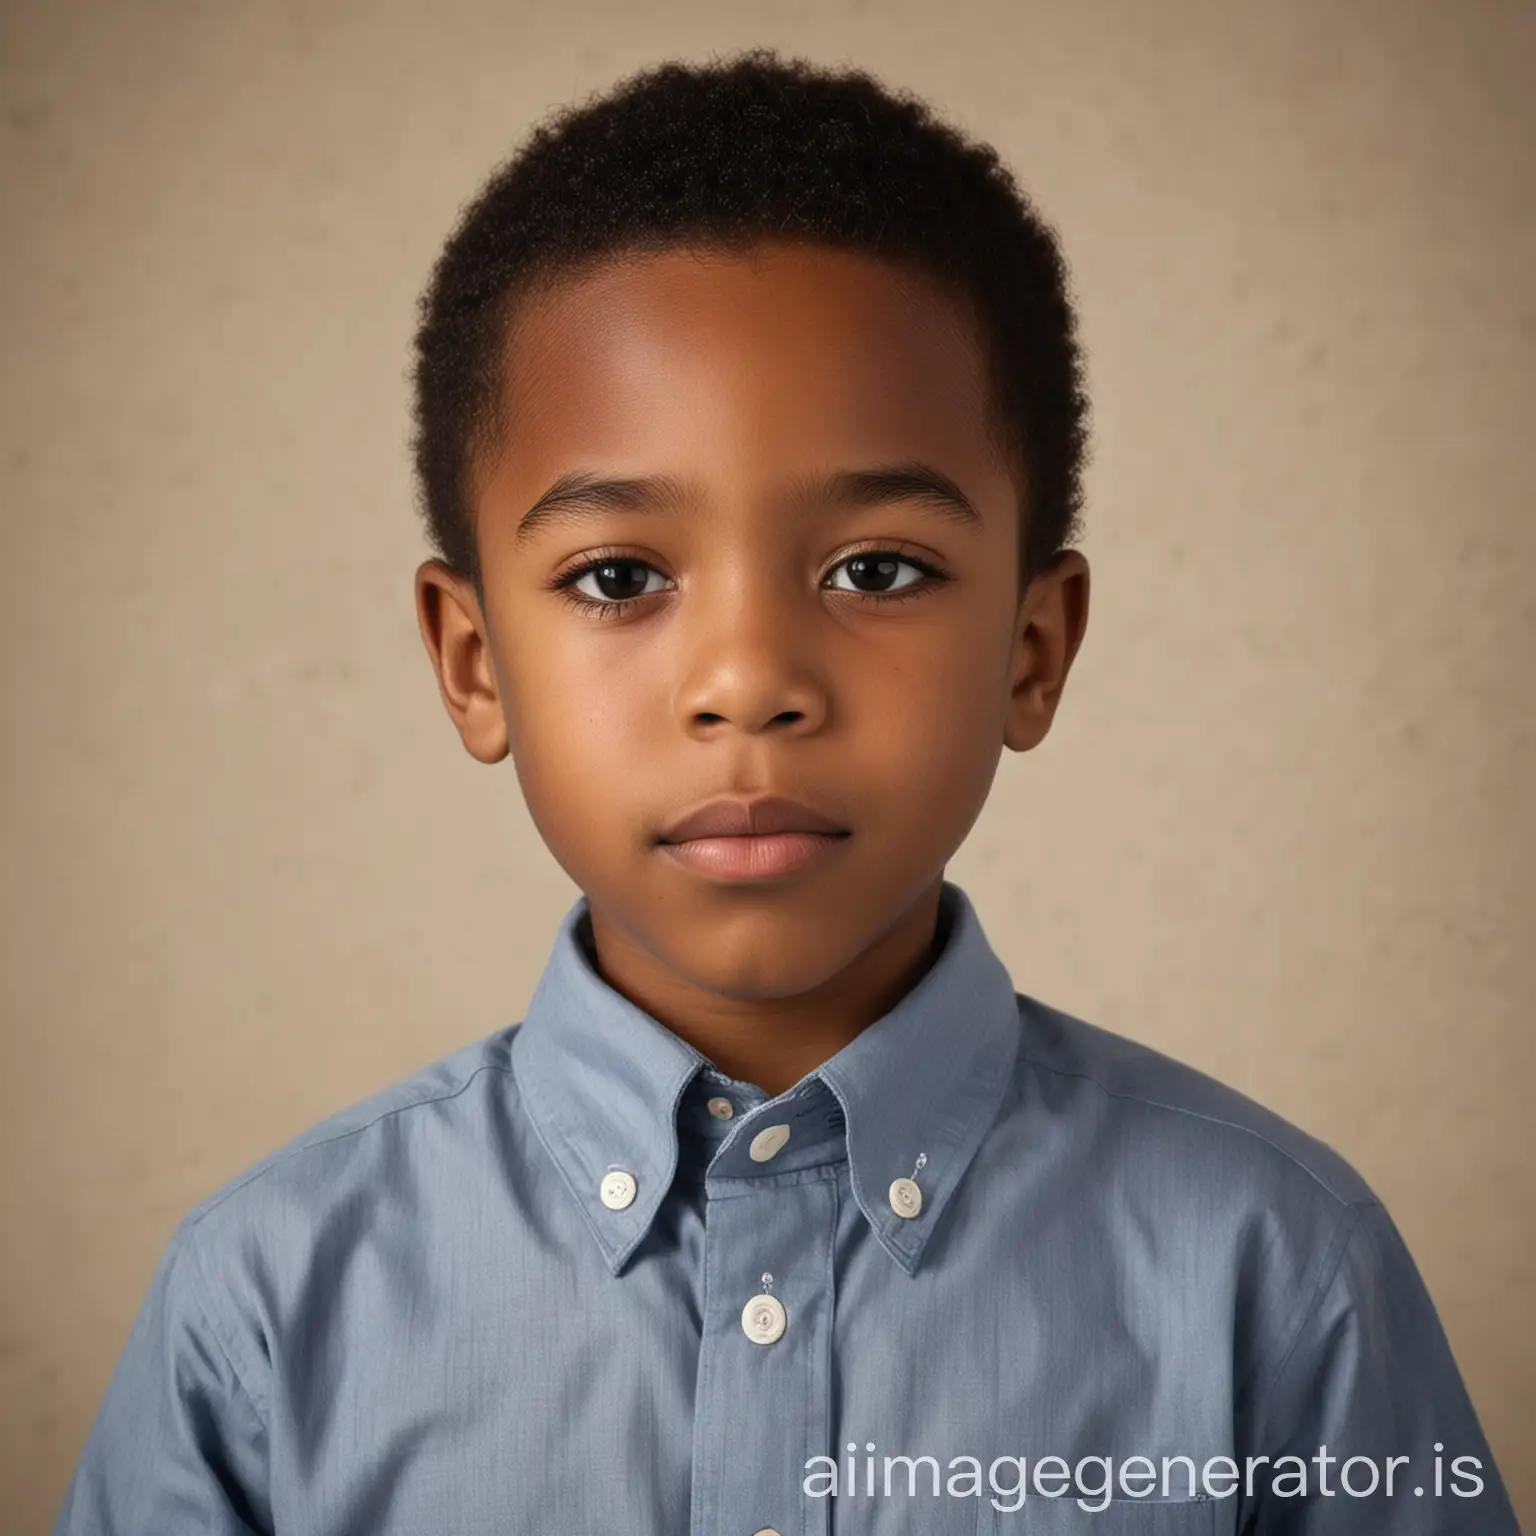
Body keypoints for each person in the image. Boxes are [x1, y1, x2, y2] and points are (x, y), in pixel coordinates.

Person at [53, 47, 1521, 1535]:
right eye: (619, 577)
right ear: (474, 660)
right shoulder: (262, 1311)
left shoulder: (1275, 1275)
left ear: (1031, 648)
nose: (749, 680)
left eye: (875, 570)